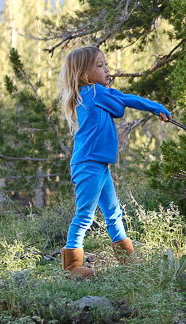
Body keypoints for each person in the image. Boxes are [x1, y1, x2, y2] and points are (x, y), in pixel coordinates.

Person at [56, 46, 171, 277]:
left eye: (106, 64)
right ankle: (72, 267)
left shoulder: (94, 93)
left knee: (113, 212)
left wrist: (154, 107)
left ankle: (127, 260)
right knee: (85, 215)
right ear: (84, 75)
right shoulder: (94, 92)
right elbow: (122, 105)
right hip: (89, 164)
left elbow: (121, 102)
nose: (107, 69)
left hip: (97, 164)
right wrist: (156, 107)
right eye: (100, 66)